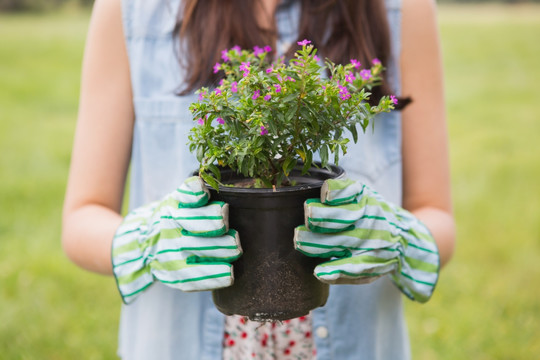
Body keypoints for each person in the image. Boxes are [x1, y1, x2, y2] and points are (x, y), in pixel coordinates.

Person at [62, 0, 456, 358]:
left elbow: (437, 216)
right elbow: (82, 218)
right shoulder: (132, 10)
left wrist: (396, 234)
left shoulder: (402, 9)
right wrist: (148, 240)